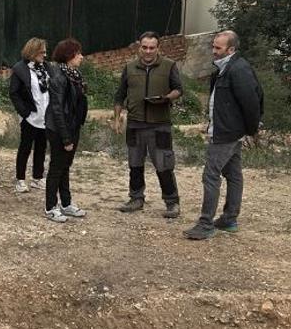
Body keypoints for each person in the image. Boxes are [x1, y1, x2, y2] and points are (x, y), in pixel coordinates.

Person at [185, 30, 263, 240]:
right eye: (213, 46)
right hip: (227, 130)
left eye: (218, 48)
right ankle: (229, 219)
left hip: (227, 133)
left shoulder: (238, 70)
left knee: (211, 175)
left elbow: (252, 101)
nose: (213, 51)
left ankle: (206, 224)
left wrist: (252, 129)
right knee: (233, 174)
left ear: (231, 49)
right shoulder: (225, 68)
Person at [112, 31, 184, 217]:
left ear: (158, 48)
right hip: (135, 124)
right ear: (139, 47)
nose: (148, 51)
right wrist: (117, 118)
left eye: (152, 48)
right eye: (144, 47)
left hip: (160, 124)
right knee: (135, 164)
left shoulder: (169, 65)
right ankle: (136, 199)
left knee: (164, 165)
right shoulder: (129, 67)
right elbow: (120, 95)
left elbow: (178, 89)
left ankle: (172, 202)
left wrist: (167, 98)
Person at [43, 38, 89, 223]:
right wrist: (66, 138)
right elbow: (57, 110)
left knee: (65, 166)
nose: (81, 57)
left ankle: (66, 203)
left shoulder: (74, 75)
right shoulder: (58, 77)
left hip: (72, 126)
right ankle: (50, 207)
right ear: (69, 55)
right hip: (59, 129)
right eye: (78, 54)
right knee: (57, 167)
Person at [8, 37, 50, 193]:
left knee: (41, 147)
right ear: (33, 52)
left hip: (45, 116)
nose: (45, 55)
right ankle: (20, 180)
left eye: (45, 52)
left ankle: (37, 178)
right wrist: (24, 112)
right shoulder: (20, 69)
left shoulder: (46, 68)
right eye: (42, 52)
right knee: (25, 147)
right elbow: (14, 93)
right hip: (30, 117)